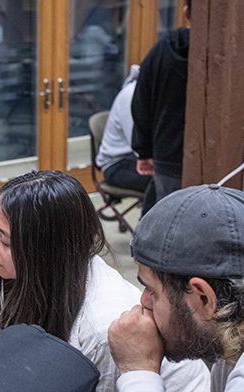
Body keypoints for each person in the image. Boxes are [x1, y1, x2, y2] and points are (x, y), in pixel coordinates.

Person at [0, 170, 209, 392]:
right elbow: (3, 368)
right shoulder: (30, 275)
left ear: (45, 252)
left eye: (6, 240)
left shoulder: (103, 327)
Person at [108, 184, 244, 392]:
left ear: (204, 298)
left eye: (152, 290)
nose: (143, 301)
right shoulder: (229, 345)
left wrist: (139, 371)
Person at [131, 0, 191, 207]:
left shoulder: (161, 51)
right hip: (222, 159)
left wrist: (144, 151)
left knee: (169, 221)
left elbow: (141, 103)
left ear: (186, 12)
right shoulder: (230, 54)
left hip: (166, 157)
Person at [96, 65, 154, 214]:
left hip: (132, 159)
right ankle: (148, 232)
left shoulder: (146, 93)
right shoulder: (132, 95)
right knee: (161, 180)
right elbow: (138, 144)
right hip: (117, 166)